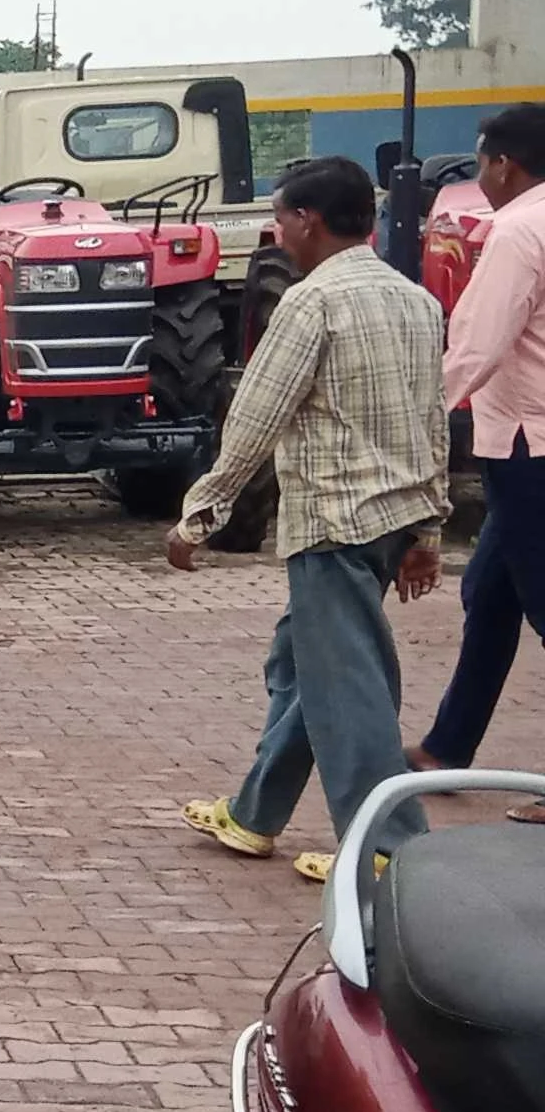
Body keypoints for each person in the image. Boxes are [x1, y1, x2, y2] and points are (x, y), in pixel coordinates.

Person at [175, 155, 448, 879]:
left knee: (348, 687)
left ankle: (389, 850)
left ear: (310, 220)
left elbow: (257, 417)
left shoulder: (311, 303)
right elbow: (433, 424)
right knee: (305, 666)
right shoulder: (415, 300)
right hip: (392, 520)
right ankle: (254, 814)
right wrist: (428, 530)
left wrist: (201, 513)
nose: (277, 230)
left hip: (334, 522)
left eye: (282, 216)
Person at [414, 103, 545, 769]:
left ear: (504, 163)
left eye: (482, 158)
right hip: (526, 436)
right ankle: (447, 746)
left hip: (527, 441)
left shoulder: (518, 231)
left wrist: (419, 408)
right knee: (489, 593)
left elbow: (478, 341)